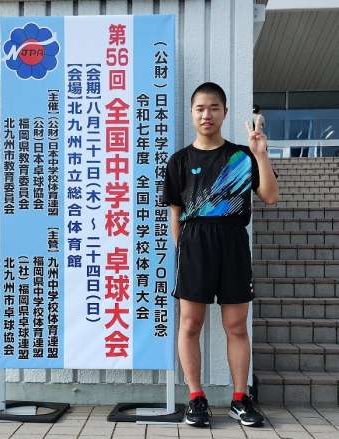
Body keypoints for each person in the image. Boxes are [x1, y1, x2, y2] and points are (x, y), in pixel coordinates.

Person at [163, 82, 279, 429]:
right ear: (192, 113)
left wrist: (261, 154)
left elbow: (270, 196)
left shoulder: (242, 156)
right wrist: (183, 251)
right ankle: (196, 398)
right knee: (190, 324)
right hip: (195, 244)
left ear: (224, 112)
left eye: (214, 107)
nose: (207, 114)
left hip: (233, 243)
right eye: (200, 108)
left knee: (236, 326)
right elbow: (175, 213)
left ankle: (240, 398)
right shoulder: (179, 161)